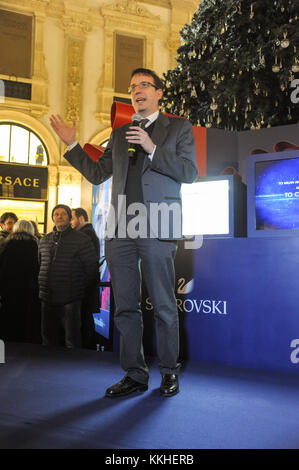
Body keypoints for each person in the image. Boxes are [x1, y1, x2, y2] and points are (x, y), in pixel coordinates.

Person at [50, 68, 198, 397]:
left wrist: (152, 148)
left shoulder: (177, 128)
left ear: (159, 93)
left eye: (144, 85)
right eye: (132, 87)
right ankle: (135, 373)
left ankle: (170, 371)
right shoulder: (119, 134)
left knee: (162, 304)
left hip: (157, 224)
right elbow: (97, 173)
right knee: (125, 307)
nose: (137, 90)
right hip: (121, 230)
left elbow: (189, 172)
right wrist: (72, 143)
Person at [38, 204, 98, 349]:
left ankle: (73, 368)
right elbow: (40, 264)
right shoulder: (44, 240)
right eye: (56, 214)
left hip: (70, 297)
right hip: (47, 297)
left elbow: (91, 267)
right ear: (53, 218)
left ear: (70, 217)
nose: (59, 216)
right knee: (48, 337)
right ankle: (49, 366)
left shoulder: (82, 239)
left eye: (63, 214)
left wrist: (79, 286)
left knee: (72, 338)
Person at [0, 219, 41, 343]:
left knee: (9, 313)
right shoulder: (35, 245)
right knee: (27, 315)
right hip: (29, 288)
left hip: (8, 287)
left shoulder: (6, 244)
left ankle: (9, 337)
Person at [71, 207, 100, 349]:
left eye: (72, 218)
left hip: (84, 287)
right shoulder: (87, 233)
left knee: (84, 319)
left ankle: (86, 350)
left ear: (81, 218)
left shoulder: (85, 234)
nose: (70, 222)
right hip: (86, 286)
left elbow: (88, 263)